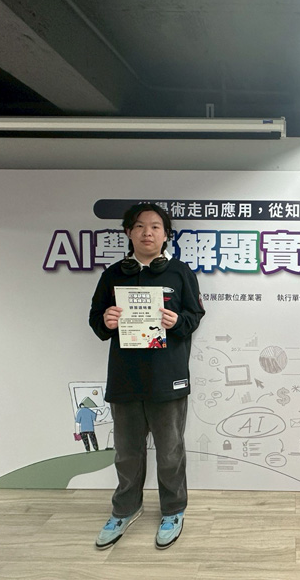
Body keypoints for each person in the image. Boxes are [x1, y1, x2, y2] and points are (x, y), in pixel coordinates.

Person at [89, 203, 205, 550]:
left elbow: (195, 315)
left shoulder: (180, 273)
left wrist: (178, 322)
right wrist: (106, 320)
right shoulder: (113, 275)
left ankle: (173, 510)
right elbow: (96, 319)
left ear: (166, 234)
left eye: (155, 226)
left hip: (167, 376)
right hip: (125, 378)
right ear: (128, 232)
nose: (147, 233)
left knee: (170, 452)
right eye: (140, 226)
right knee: (127, 453)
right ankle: (125, 509)